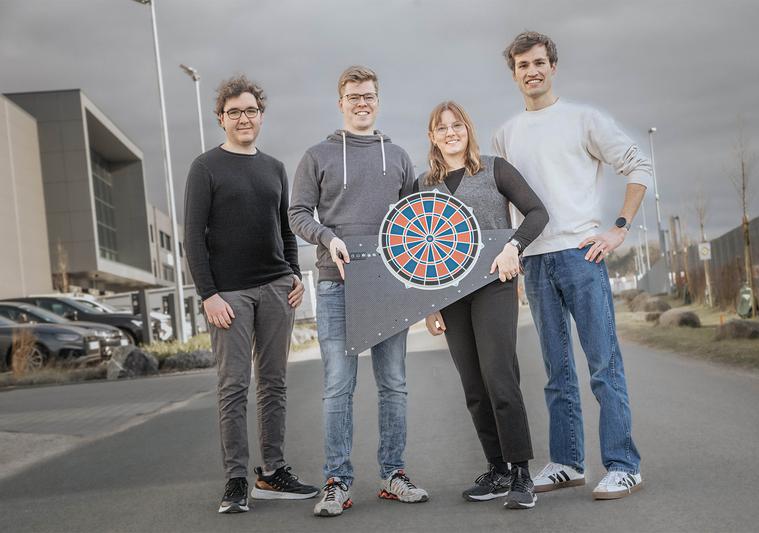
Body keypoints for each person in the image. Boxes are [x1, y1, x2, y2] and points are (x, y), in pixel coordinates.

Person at [492, 31, 651, 500]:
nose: (532, 71)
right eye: (523, 65)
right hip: (536, 263)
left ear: (552, 66)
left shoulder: (584, 120)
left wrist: (618, 228)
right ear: (514, 73)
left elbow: (638, 166)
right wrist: (512, 254)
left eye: (539, 62)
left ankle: (624, 465)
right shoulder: (506, 134)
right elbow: (506, 206)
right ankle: (566, 462)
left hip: (583, 255)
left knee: (603, 365)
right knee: (556, 371)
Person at [289, 65, 429, 517]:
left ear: (377, 99)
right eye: (353, 96)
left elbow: (417, 220)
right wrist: (329, 239)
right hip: (335, 285)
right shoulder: (317, 156)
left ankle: (393, 475)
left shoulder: (401, 156)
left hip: (391, 285)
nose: (361, 102)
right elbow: (297, 214)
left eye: (368, 95)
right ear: (341, 102)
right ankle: (338, 481)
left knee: (394, 384)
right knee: (337, 386)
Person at [184, 75, 318, 514]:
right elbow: (192, 238)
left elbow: (285, 228)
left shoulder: (275, 167)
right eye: (234, 112)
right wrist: (209, 294)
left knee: (275, 383)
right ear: (221, 118)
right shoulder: (206, 167)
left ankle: (273, 472)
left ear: (261, 116)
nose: (244, 118)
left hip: (277, 289)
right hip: (230, 296)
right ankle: (237, 480)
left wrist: (293, 273)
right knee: (233, 386)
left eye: (251, 111)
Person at [417, 101, 549, 509]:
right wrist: (428, 303)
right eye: (442, 128)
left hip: (494, 285)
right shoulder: (423, 185)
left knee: (500, 378)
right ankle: (497, 470)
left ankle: (522, 474)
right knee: (473, 386)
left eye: (457, 125)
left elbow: (537, 213)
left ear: (468, 129)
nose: (451, 132)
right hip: (450, 294)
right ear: (433, 137)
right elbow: (416, 247)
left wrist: (514, 246)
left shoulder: (495, 169)